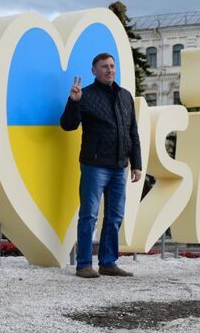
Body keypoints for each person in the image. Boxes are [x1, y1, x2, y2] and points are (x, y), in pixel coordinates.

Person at [61, 52, 142, 278]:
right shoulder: (84, 95)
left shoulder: (125, 97)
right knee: (89, 215)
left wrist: (136, 163)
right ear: (94, 71)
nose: (109, 70)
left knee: (115, 216)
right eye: (104, 66)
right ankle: (84, 264)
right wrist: (73, 102)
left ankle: (108, 262)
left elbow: (132, 133)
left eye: (112, 66)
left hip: (119, 167)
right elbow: (67, 125)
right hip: (94, 165)